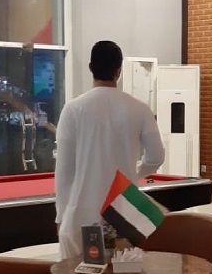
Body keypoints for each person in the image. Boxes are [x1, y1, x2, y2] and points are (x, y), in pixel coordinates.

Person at [54, 40, 165, 262]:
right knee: (124, 272)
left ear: (90, 67)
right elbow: (156, 157)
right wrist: (133, 174)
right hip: (124, 209)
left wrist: (61, 216)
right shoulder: (140, 108)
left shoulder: (73, 109)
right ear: (118, 71)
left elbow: (64, 170)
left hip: (82, 211)